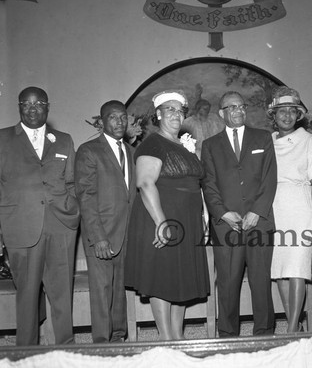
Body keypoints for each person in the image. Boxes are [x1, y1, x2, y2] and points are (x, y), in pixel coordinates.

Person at [124, 90, 210, 340]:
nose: (175, 114)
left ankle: (177, 335)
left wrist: (203, 218)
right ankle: (166, 338)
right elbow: (145, 183)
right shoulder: (153, 143)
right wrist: (161, 222)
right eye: (169, 109)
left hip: (187, 218)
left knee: (180, 275)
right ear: (158, 114)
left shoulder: (183, 144)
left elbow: (196, 186)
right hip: (162, 216)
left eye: (179, 110)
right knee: (163, 276)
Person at [0, 86, 80, 345]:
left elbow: (71, 183)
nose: (32, 109)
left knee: (61, 293)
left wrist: (72, 214)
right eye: (26, 104)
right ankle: (25, 353)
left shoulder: (64, 139)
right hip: (21, 227)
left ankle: (65, 352)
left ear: (48, 107)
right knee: (27, 294)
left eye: (38, 104)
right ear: (19, 107)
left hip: (60, 226)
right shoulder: (2, 139)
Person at [201, 91, 277, 337]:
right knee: (228, 283)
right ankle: (227, 335)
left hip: (259, 223)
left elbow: (270, 178)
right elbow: (209, 184)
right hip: (227, 226)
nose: (238, 110)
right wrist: (223, 214)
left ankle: (264, 333)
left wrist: (257, 211)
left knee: (260, 281)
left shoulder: (263, 138)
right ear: (222, 113)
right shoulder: (210, 145)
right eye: (231, 107)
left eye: (241, 106)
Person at [75, 100, 136, 343]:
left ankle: (118, 337)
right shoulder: (89, 150)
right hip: (102, 233)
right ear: (102, 122)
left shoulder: (132, 151)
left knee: (119, 289)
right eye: (113, 117)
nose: (119, 122)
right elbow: (86, 196)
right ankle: (101, 343)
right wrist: (97, 236)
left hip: (127, 232)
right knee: (101, 291)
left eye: (123, 117)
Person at [267, 86, 312, 333]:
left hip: (300, 208)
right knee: (280, 269)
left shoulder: (308, 140)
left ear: (299, 115)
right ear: (274, 114)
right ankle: (296, 324)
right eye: (282, 111)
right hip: (274, 208)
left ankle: (291, 330)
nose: (287, 116)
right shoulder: (267, 141)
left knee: (297, 269)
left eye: (292, 111)